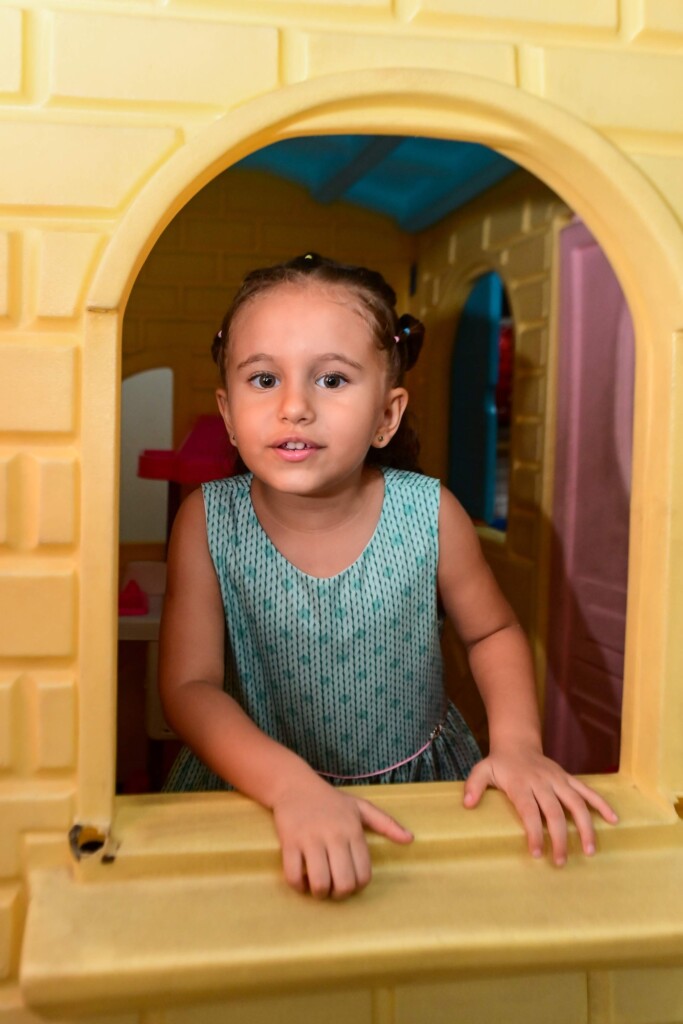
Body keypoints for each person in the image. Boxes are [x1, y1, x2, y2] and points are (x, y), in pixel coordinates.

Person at [159, 252, 618, 900]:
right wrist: (290, 788)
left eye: (331, 379)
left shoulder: (429, 513)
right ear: (228, 414)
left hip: (417, 793)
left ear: (386, 414)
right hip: (256, 794)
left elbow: (491, 633)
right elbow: (189, 686)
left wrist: (517, 745)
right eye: (263, 379)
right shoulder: (207, 522)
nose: (294, 406)